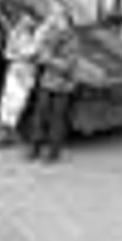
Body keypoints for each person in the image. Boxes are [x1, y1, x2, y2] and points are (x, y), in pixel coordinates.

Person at [26, 13, 81, 163]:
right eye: (56, 21)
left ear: (67, 25)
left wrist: (49, 59)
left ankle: (53, 152)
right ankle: (34, 147)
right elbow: (40, 52)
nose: (56, 23)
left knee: (57, 119)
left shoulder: (73, 41)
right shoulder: (50, 36)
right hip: (47, 82)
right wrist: (47, 57)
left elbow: (68, 66)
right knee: (39, 116)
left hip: (63, 86)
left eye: (60, 21)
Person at [0, 10, 40, 147]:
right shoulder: (15, 34)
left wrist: (19, 54)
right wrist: (19, 54)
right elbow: (8, 53)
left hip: (25, 75)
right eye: (23, 20)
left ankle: (8, 133)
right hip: (14, 71)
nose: (24, 23)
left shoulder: (35, 37)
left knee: (16, 104)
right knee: (6, 101)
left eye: (28, 20)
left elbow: (32, 53)